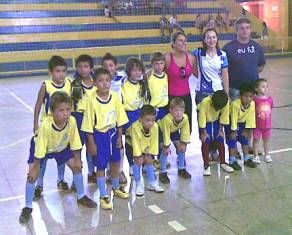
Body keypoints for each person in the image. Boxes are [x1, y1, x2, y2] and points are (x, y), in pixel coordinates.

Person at [19, 92, 97, 224]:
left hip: (61, 147)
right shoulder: (45, 126)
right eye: (61, 110)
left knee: (77, 167)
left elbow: (75, 143)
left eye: (68, 109)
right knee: (32, 175)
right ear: (52, 112)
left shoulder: (71, 121)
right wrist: (35, 168)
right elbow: (40, 150)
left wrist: (77, 159)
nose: (66, 113)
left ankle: (81, 196)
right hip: (42, 148)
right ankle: (27, 206)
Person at [82, 68, 130, 210]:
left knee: (115, 162)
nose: (105, 84)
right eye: (101, 81)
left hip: (114, 133)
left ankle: (115, 188)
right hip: (100, 135)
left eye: (107, 80)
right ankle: (103, 194)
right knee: (101, 165)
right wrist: (91, 143)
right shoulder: (91, 99)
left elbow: (120, 117)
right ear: (95, 83)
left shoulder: (115, 96)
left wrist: (120, 136)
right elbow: (88, 123)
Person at [32, 56, 72, 199]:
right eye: (57, 71)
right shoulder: (46, 86)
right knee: (42, 158)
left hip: (63, 126)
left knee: (61, 156)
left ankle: (60, 179)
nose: (61, 74)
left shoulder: (69, 83)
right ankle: (39, 184)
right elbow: (38, 105)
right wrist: (35, 123)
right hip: (48, 127)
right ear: (50, 72)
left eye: (63, 71)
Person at [223, 18, 265, 101]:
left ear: (250, 30)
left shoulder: (257, 47)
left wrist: (250, 72)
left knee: (252, 113)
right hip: (235, 89)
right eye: (242, 28)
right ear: (236, 30)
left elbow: (261, 65)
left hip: (253, 88)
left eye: (247, 28)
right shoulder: (228, 48)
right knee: (236, 113)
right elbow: (223, 70)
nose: (245, 31)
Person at [127, 105, 165, 197]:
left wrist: (151, 154)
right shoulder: (135, 127)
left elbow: (154, 141)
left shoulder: (155, 127)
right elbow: (135, 142)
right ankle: (138, 183)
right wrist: (138, 155)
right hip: (131, 144)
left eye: (153, 120)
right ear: (140, 119)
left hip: (145, 144)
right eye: (147, 120)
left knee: (149, 160)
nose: (150, 123)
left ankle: (152, 182)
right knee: (138, 161)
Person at [101, 52, 128, 184]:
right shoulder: (101, 80)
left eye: (111, 65)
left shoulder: (123, 77)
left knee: (120, 143)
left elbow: (138, 75)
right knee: (107, 145)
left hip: (121, 115)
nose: (108, 68)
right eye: (105, 66)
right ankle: (108, 170)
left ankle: (119, 170)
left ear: (116, 66)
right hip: (106, 116)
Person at [71, 54, 96, 184]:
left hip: (93, 118)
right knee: (77, 148)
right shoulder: (74, 84)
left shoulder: (96, 82)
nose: (83, 69)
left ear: (91, 68)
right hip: (78, 117)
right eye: (80, 66)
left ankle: (92, 172)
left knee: (91, 147)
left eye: (86, 66)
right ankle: (77, 175)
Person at [165, 31, 198, 133]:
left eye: (185, 41)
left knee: (187, 129)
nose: (184, 43)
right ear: (173, 43)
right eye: (180, 40)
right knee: (171, 130)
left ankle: (183, 149)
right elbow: (156, 74)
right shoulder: (167, 58)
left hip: (186, 97)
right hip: (170, 98)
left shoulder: (191, 58)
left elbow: (199, 75)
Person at [198, 90, 234, 176]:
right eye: (216, 107)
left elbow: (224, 117)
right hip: (206, 122)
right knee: (206, 140)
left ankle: (223, 163)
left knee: (220, 139)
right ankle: (206, 166)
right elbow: (202, 118)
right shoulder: (205, 102)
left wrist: (221, 130)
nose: (217, 109)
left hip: (216, 121)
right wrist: (203, 132)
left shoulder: (225, 102)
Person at [122, 57, 147, 175]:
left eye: (139, 70)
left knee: (143, 139)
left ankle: (144, 161)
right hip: (129, 115)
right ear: (129, 71)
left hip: (141, 114)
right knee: (130, 141)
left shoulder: (143, 85)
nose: (137, 72)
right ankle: (131, 164)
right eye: (134, 70)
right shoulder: (124, 85)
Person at [158, 98, 191, 184]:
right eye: (176, 110)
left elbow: (185, 131)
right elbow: (165, 133)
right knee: (165, 151)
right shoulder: (167, 119)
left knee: (181, 148)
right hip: (161, 132)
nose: (179, 112)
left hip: (174, 131)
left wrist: (184, 143)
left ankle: (181, 168)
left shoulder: (185, 118)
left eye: (181, 110)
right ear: (170, 111)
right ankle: (163, 172)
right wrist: (166, 146)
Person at [225, 84, 257, 170]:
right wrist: (233, 131)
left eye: (251, 96)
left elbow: (251, 117)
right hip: (231, 122)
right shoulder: (235, 104)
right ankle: (232, 160)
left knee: (244, 139)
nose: (248, 98)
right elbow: (234, 117)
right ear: (240, 96)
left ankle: (246, 158)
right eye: (246, 96)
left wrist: (247, 129)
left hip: (242, 123)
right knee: (232, 140)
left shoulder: (253, 104)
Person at [193, 28, 229, 105]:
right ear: (204, 40)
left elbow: (225, 75)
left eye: (213, 37)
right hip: (202, 93)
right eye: (208, 38)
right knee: (202, 116)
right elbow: (185, 57)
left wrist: (227, 94)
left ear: (217, 38)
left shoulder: (223, 55)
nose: (211, 40)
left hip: (218, 91)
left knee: (217, 117)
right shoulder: (198, 52)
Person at [253, 79, 273, 164]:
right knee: (256, 140)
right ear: (256, 89)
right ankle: (256, 156)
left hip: (267, 125)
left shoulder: (270, 99)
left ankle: (267, 155)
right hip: (257, 125)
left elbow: (270, 108)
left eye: (266, 87)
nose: (265, 88)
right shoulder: (254, 100)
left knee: (266, 140)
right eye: (263, 86)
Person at [147, 52, 168, 120]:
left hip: (165, 107)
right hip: (154, 108)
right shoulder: (148, 76)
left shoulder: (166, 75)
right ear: (152, 64)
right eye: (156, 64)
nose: (159, 66)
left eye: (161, 63)